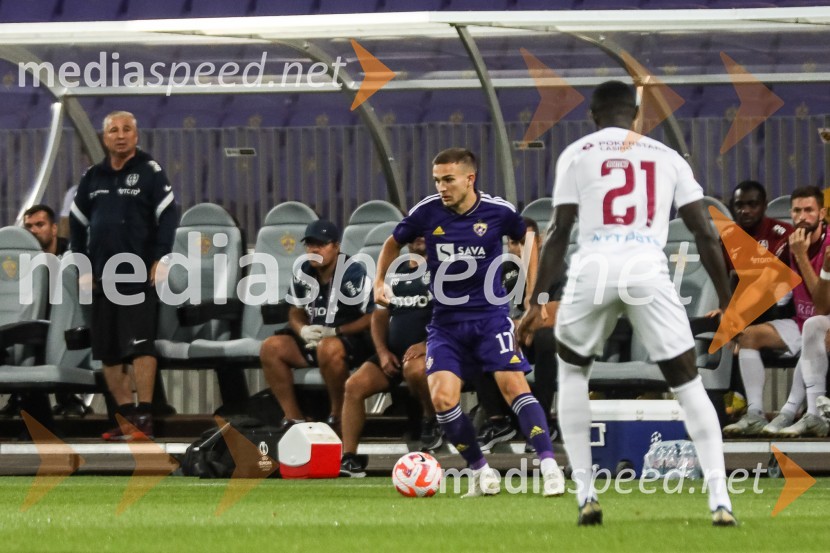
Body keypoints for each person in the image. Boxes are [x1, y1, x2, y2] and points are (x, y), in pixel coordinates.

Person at [518, 81, 736, 526]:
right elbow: (706, 232)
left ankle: (586, 494)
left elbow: (558, 232)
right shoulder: (668, 156)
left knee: (573, 373)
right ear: (637, 113)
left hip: (594, 268)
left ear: (593, 115)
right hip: (646, 270)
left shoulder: (576, 154)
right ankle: (720, 500)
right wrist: (730, 303)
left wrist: (538, 300)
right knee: (687, 383)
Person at [374, 147, 566, 498]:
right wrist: (379, 281)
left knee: (514, 387)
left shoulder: (497, 211)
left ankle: (550, 467)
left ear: (469, 179)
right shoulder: (427, 211)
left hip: (490, 319)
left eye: (448, 180)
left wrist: (533, 293)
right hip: (446, 324)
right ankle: (481, 471)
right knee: (442, 398)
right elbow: (392, 242)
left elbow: (528, 236)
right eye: (437, 180)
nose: (441, 187)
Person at [69, 111, 177, 441]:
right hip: (103, 277)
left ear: (136, 135)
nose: (120, 135)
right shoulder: (93, 176)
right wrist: (82, 265)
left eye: (126, 129)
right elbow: (76, 224)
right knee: (108, 352)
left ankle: (145, 415)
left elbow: (169, 216)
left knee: (141, 347)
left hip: (137, 274)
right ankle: (127, 417)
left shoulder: (150, 171)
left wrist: (161, 257)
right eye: (113, 130)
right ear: (104, 138)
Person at [723, 186, 830, 437]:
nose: (802, 217)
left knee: (813, 331)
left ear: (822, 213)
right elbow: (771, 290)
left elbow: (822, 305)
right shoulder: (789, 243)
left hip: (824, 322)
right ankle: (755, 414)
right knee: (749, 336)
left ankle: (789, 413)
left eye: (809, 210)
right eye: (797, 211)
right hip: (800, 321)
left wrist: (801, 256)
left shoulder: (826, 246)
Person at [259, 219, 374, 433]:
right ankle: (294, 419)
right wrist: (302, 329)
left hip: (349, 342)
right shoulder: (304, 271)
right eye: (310, 244)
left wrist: (336, 331)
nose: (314, 250)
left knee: (328, 348)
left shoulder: (352, 273)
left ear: (336, 246)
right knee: (271, 347)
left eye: (321, 244)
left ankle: (338, 416)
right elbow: (295, 310)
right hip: (315, 340)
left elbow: (373, 316)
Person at [339, 237, 439, 477]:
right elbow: (379, 316)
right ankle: (349, 457)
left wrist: (427, 344)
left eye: (423, 232)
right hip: (394, 353)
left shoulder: (442, 271)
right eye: (413, 233)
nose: (418, 237)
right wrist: (383, 352)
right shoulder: (395, 271)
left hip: (431, 351)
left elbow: (452, 315)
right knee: (353, 386)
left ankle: (431, 419)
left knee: (414, 370)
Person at [475, 217, 560, 454]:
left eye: (524, 242)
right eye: (513, 243)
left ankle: (541, 422)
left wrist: (524, 326)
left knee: (546, 340)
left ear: (539, 241)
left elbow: (559, 310)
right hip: (513, 337)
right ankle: (498, 422)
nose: (519, 248)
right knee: (480, 340)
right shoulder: (503, 270)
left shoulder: (556, 268)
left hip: (544, 337)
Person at [721, 180, 794, 417]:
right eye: (739, 205)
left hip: (781, 311)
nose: (745, 210)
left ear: (764, 205)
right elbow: (728, 282)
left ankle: (739, 396)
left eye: (752, 204)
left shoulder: (782, 233)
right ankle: (727, 400)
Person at [0, 204, 77, 419]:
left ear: (54, 229)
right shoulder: (20, 260)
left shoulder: (69, 257)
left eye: (39, 225)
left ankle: (66, 397)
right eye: (29, 226)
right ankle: (19, 397)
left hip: (60, 322)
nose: (33, 230)